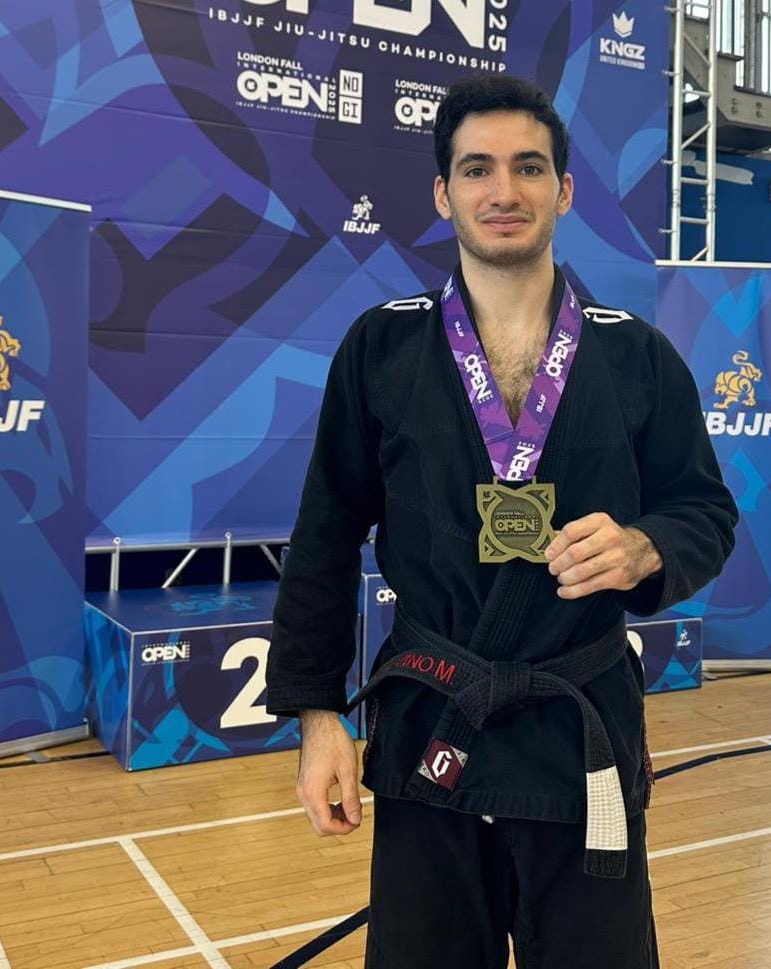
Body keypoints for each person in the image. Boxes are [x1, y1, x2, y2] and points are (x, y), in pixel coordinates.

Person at [267, 75, 737, 969]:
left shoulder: (636, 356)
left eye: (528, 167)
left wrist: (644, 547)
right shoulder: (382, 347)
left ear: (563, 190)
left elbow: (704, 511)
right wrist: (317, 715)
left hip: (578, 736)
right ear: (443, 194)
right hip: (431, 726)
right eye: (476, 169)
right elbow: (324, 535)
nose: (503, 190)